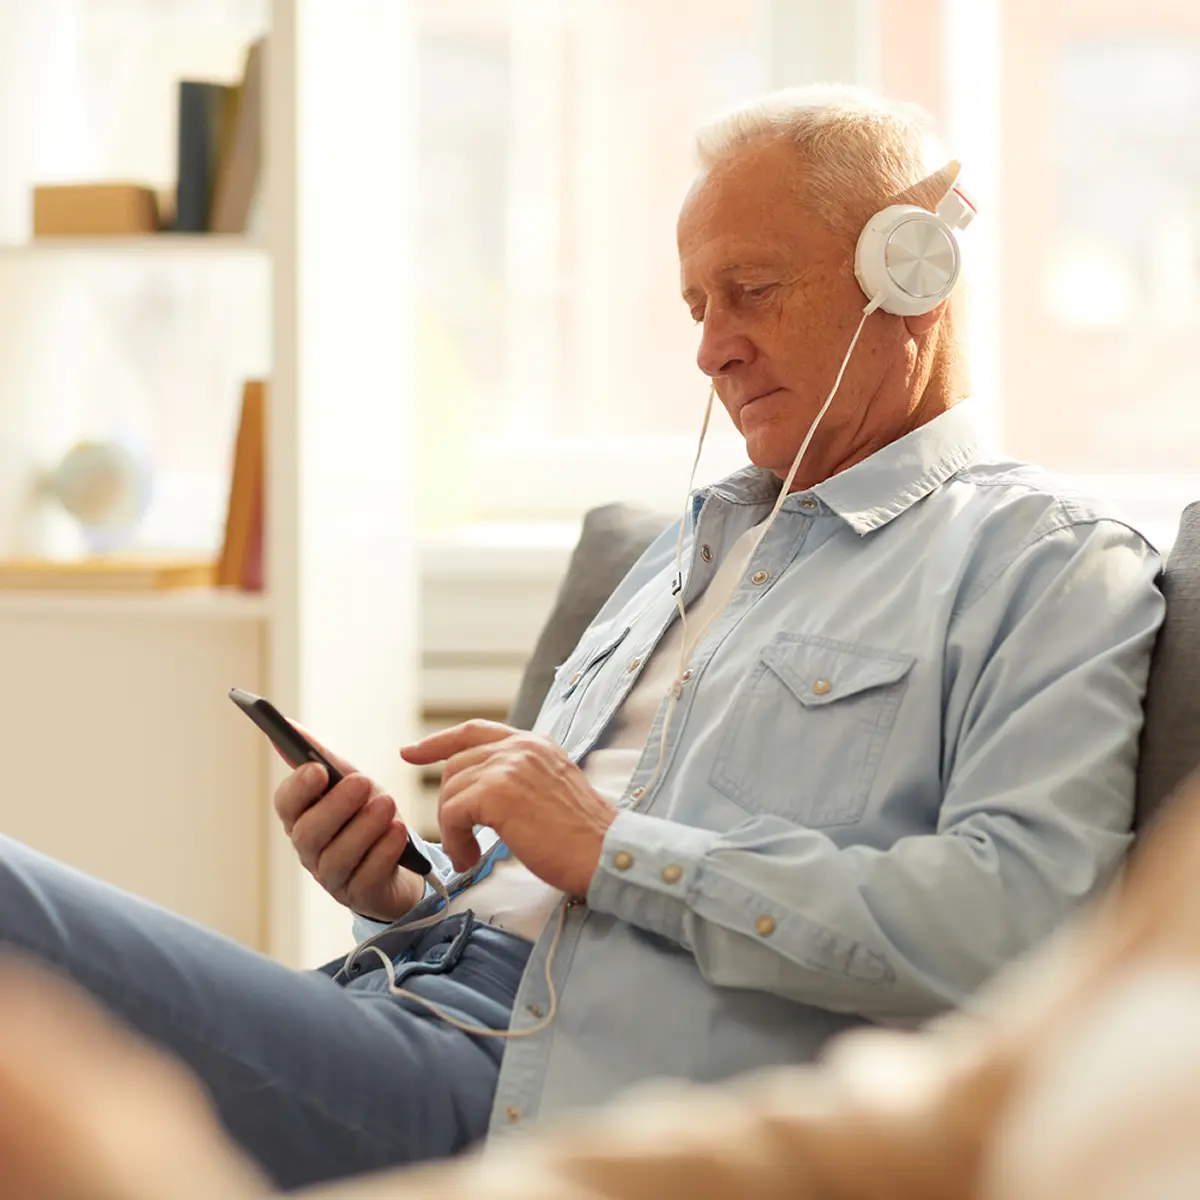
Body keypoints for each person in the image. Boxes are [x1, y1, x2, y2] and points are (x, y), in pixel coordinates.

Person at [0, 84, 1164, 1191]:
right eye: (696, 306)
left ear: (911, 277)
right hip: (397, 994)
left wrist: (611, 844)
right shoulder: (686, 545)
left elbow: (1020, 928)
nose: (712, 348)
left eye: (752, 289)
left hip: (527, 1094)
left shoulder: (1045, 561)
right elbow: (546, 877)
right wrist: (405, 891)